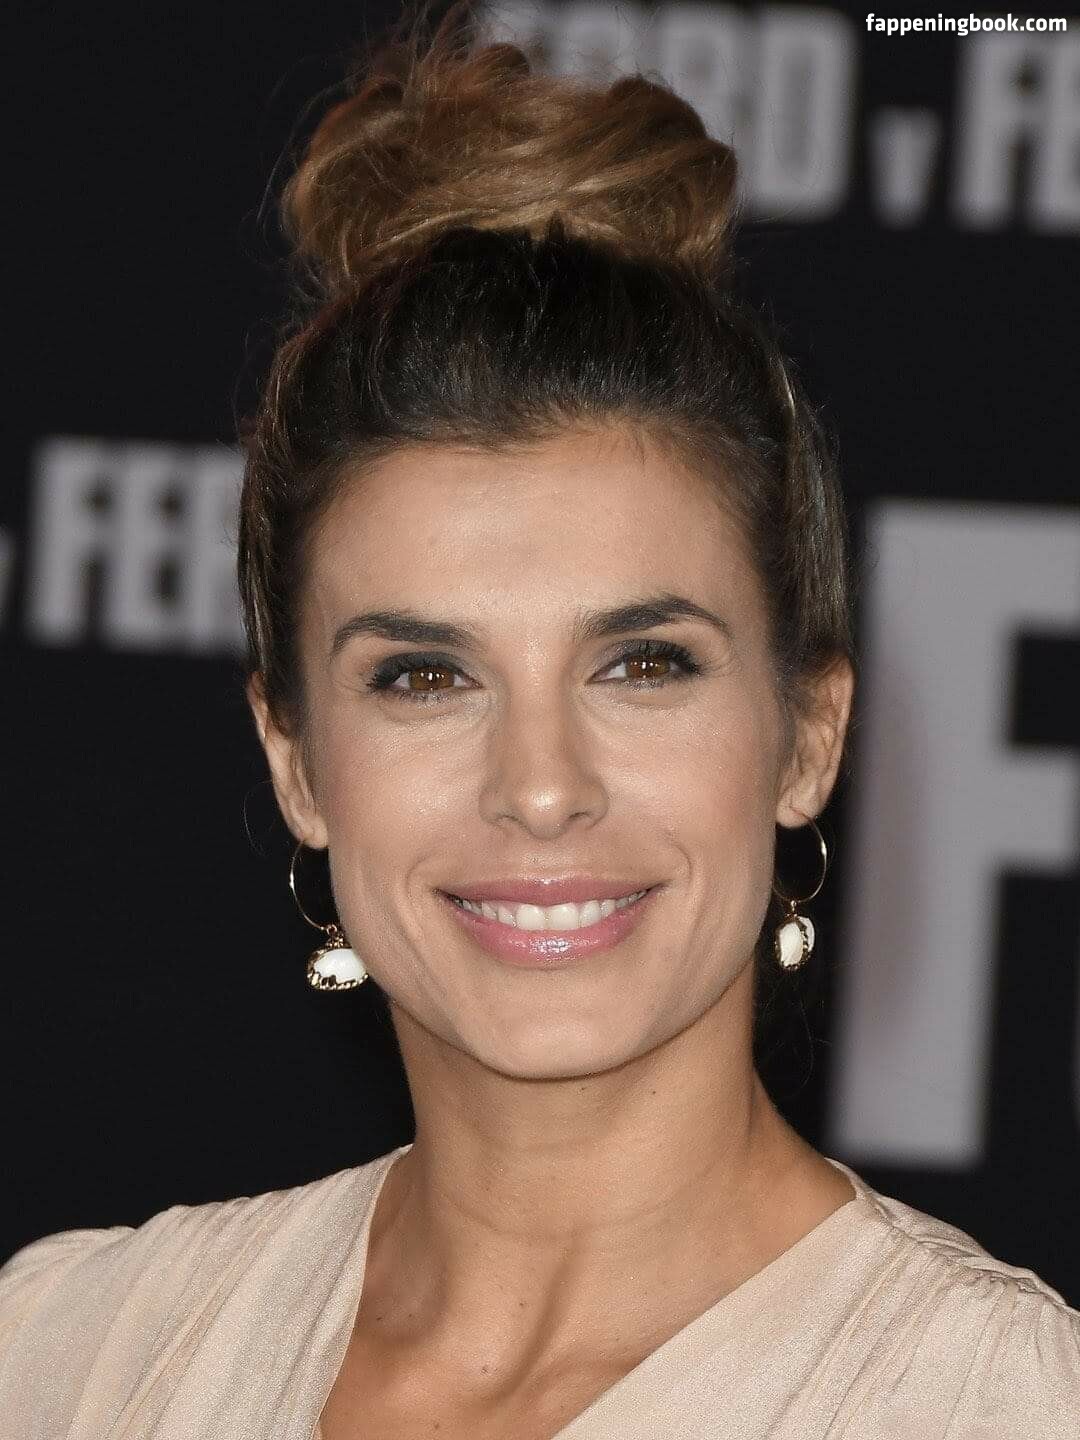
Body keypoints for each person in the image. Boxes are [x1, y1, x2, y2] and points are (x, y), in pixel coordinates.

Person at [2, 2, 1078, 1435]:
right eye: (423, 676)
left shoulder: (997, 1405)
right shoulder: (70, 1355)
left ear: (809, 735)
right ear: (295, 760)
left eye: (643, 663)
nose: (542, 786)